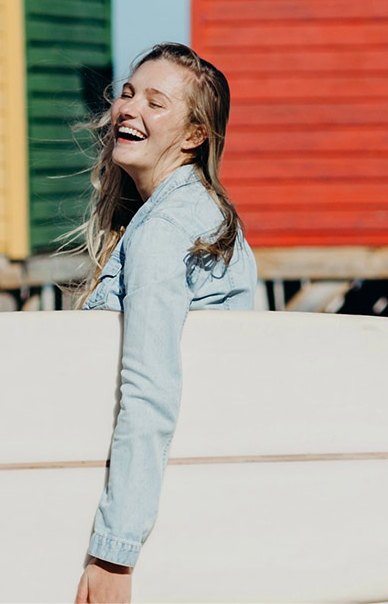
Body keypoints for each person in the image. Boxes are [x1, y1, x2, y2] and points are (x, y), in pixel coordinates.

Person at [69, 43, 258, 603]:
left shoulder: (165, 230)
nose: (129, 109)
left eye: (156, 102)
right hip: (192, 489)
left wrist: (113, 554)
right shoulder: (203, 214)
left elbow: (150, 389)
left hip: (155, 513)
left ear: (195, 135)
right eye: (127, 94)